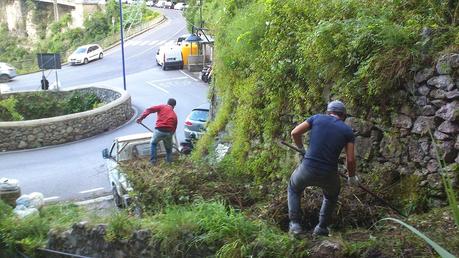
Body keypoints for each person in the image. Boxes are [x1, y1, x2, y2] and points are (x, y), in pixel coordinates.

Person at [288, 100, 358, 237]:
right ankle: (321, 227)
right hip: (329, 174)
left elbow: (295, 133)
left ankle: (295, 225)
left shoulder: (316, 118)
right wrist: (351, 176)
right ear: (343, 115)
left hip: (307, 169)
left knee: (294, 188)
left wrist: (302, 149)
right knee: (331, 195)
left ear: (328, 112)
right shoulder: (347, 131)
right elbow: (350, 159)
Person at [136, 98, 177, 164]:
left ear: (167, 103)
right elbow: (174, 128)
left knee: (153, 143)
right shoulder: (174, 115)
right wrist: (170, 135)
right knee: (169, 149)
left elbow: (149, 110)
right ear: (174, 106)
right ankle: (169, 162)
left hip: (159, 130)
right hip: (169, 132)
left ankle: (153, 161)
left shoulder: (162, 107)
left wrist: (141, 118)